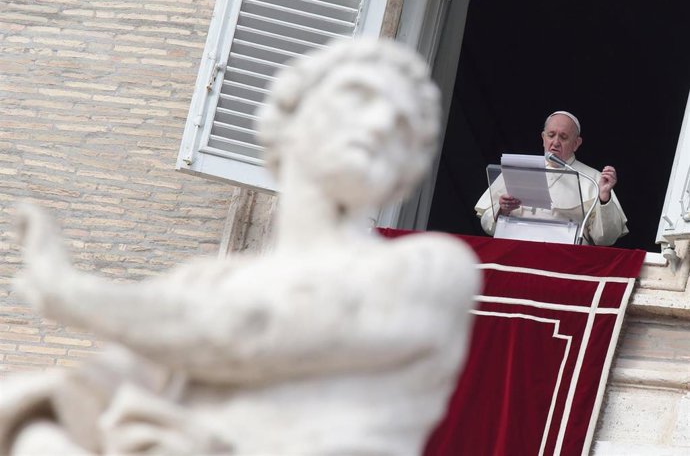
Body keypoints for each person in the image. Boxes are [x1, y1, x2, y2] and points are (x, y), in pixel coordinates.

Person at [0, 39, 479, 455]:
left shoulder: (429, 270)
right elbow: (78, 396)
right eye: (358, 97)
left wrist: (74, 293)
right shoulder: (204, 283)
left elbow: (257, 330)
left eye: (403, 127)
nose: (379, 125)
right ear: (289, 117)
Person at [474, 111, 628, 246]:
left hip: (565, 261)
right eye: (551, 135)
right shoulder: (517, 169)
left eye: (563, 137)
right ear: (543, 138)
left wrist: (604, 199)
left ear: (576, 143)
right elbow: (487, 225)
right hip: (515, 253)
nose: (555, 142)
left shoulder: (593, 179)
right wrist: (501, 210)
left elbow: (605, 239)